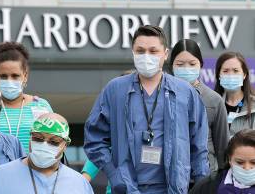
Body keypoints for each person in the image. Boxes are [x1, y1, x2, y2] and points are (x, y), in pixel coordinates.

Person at [84, 25, 209, 194]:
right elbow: (94, 138)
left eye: (153, 51)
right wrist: (114, 175)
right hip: (126, 188)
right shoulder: (115, 90)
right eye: (140, 51)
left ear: (165, 54)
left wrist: (202, 184)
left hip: (172, 189)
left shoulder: (185, 92)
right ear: (133, 53)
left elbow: (199, 146)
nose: (146, 56)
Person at [0, 113, 94, 194]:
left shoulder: (79, 184)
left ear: (65, 146)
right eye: (38, 139)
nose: (44, 144)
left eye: (53, 142)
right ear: (30, 138)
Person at [170, 39, 230, 172]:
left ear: (201, 64)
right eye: (180, 64)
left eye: (192, 64)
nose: (186, 68)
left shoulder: (214, 100)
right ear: (172, 65)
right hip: (170, 174)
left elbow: (222, 147)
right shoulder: (162, 96)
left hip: (204, 175)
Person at [0, 42, 53, 152]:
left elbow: (53, 141)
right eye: (3, 76)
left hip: (32, 168)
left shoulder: (41, 105)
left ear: (25, 76)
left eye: (15, 75)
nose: (9, 80)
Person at [189, 129, 255, 193]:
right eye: (239, 162)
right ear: (229, 159)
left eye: (254, 162)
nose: (247, 168)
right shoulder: (205, 187)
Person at [214, 52, 255, 136]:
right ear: (219, 75)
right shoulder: (211, 104)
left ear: (244, 74)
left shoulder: (254, 106)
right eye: (225, 71)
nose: (230, 75)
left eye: (235, 71)